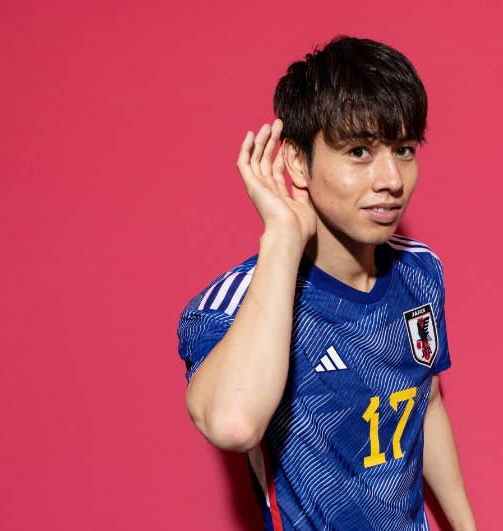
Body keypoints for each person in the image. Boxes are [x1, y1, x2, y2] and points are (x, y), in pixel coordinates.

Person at [178, 36, 476, 530]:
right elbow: (233, 425)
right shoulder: (233, 303)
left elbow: (427, 401)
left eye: (404, 149)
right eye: (359, 151)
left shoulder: (420, 271)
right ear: (297, 162)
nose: (392, 179)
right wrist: (282, 235)